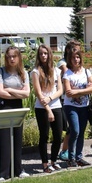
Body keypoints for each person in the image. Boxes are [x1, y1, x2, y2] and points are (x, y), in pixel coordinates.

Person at [0, 46, 30, 181]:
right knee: (4, 140)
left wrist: (9, 90)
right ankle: (2, 173)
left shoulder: (23, 73)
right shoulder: (0, 71)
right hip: (3, 107)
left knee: (17, 139)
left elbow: (27, 93)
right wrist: (17, 92)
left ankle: (18, 169)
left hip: (17, 107)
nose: (11, 59)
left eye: (14, 56)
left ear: (19, 57)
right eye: (9, 56)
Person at [32, 44, 64, 173]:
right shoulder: (35, 72)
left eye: (45, 53)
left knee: (58, 136)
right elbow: (39, 94)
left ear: (49, 54)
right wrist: (48, 110)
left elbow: (60, 90)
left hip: (56, 105)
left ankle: (53, 161)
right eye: (41, 54)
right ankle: (45, 164)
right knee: (44, 136)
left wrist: (50, 99)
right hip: (42, 108)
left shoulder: (56, 71)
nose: (43, 56)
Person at [62, 48, 92, 167]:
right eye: (73, 58)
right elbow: (68, 93)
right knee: (75, 131)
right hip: (70, 106)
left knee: (81, 132)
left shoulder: (86, 72)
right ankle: (71, 158)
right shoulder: (67, 74)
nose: (76, 60)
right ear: (69, 59)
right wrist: (85, 90)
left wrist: (77, 91)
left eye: (77, 57)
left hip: (84, 106)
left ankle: (79, 158)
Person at [57, 40, 81, 162]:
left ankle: (69, 150)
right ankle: (64, 151)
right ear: (68, 50)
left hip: (77, 99)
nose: (78, 53)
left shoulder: (77, 64)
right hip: (65, 100)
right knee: (70, 127)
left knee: (73, 128)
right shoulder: (62, 63)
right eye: (75, 50)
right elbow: (68, 73)